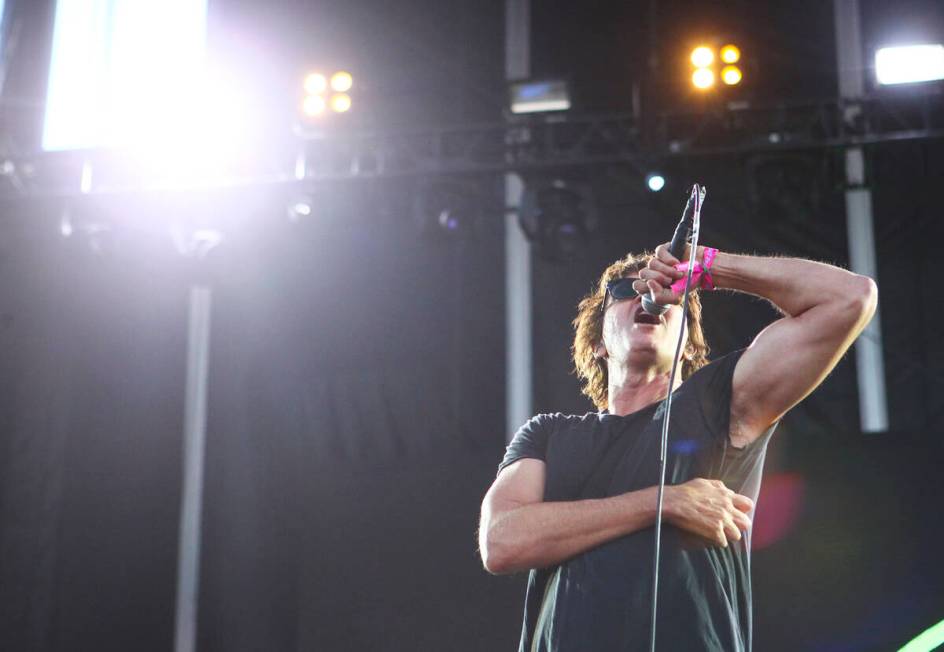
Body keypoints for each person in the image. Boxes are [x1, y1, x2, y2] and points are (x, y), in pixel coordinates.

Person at [478, 242, 877, 651]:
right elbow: (501, 541)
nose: (648, 295)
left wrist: (705, 269)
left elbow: (849, 298)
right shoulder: (547, 434)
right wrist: (663, 503)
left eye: (671, 293)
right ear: (597, 342)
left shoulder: (721, 402)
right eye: (625, 291)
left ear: (689, 344)